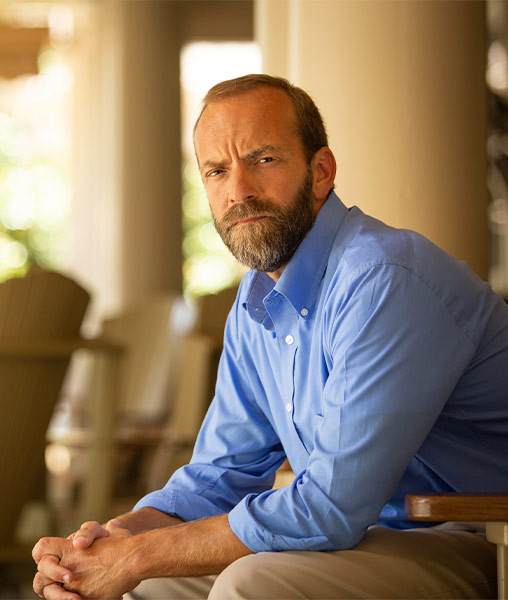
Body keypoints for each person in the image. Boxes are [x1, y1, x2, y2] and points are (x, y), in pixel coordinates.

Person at [32, 74, 508, 600]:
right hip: (372, 539)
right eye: (217, 171)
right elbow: (220, 474)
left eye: (263, 160)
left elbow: (330, 508)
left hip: (480, 537)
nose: (238, 192)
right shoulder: (257, 299)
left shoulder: (383, 279)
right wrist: (108, 545)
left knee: (252, 584)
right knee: (147, 588)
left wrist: (141, 555)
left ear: (320, 171)